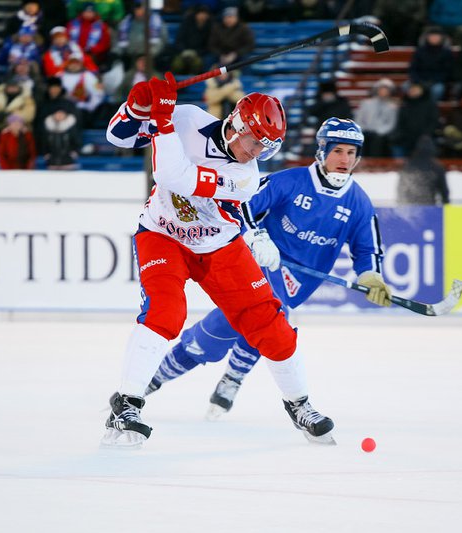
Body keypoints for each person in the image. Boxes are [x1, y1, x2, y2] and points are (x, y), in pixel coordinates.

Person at [144, 117, 391, 441]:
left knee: (236, 326)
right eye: (338, 151)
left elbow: (367, 248)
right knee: (271, 315)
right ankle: (173, 380)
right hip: (260, 265)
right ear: (322, 150)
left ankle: (191, 376)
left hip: (298, 285)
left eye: (351, 152)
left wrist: (371, 276)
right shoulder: (289, 181)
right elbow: (241, 205)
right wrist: (259, 239)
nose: (344, 159)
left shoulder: (359, 203)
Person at [102, 74, 303, 447]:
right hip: (162, 235)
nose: (257, 153)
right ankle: (126, 404)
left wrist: (161, 121)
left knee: (266, 318)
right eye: (255, 142)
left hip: (218, 245)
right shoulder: (188, 118)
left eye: (266, 148)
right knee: (165, 311)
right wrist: (136, 107)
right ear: (237, 125)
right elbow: (118, 137)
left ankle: (300, 404)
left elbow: (173, 175)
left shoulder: (245, 177)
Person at [397, 134, 449, 205]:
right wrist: (446, 204)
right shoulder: (436, 167)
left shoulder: (407, 165)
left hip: (406, 206)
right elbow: (444, 190)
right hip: (427, 206)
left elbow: (400, 188)